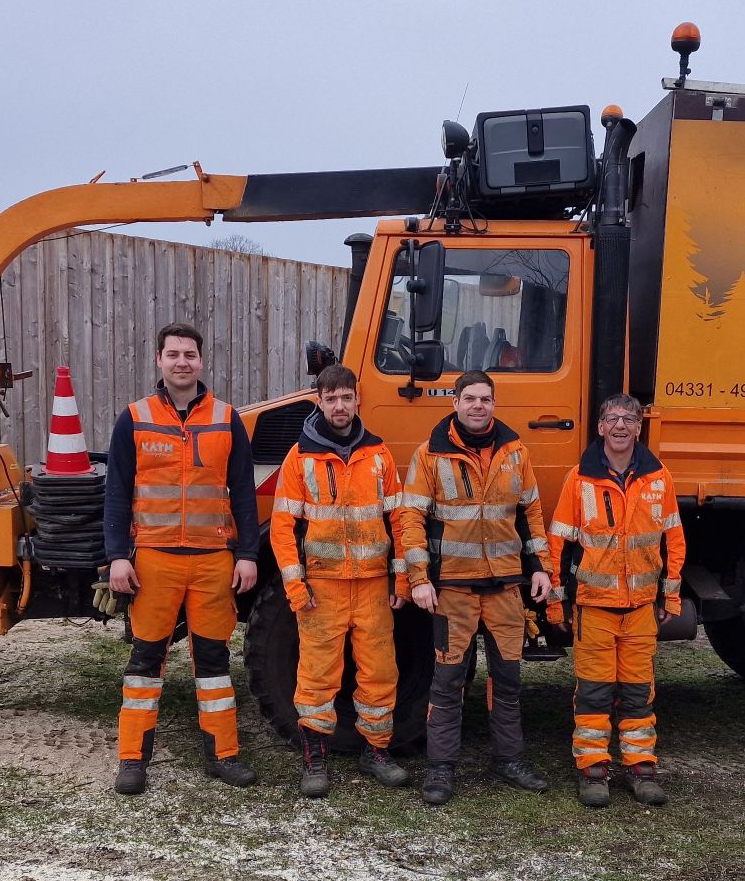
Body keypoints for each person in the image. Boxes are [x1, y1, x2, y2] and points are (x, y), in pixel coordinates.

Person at [100, 322, 260, 795]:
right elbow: (116, 493)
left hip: (213, 560)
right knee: (146, 660)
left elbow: (244, 496)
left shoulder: (227, 419)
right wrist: (116, 558)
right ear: (159, 360)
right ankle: (132, 759)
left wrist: (247, 554)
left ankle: (223, 755)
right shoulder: (135, 417)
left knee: (213, 662)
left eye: (189, 354)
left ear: (201, 361)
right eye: (173, 354)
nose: (182, 362)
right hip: (153, 560)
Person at [399, 370, 555, 805]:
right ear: (454, 402)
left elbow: (530, 514)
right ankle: (440, 768)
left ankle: (509, 759)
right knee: (447, 682)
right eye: (469, 398)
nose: (477, 406)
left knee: (508, 680)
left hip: (506, 588)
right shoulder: (429, 454)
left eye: (485, 399)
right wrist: (419, 578)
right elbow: (410, 519)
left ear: (494, 403)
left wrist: (540, 567)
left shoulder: (515, 452)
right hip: (453, 591)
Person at [269, 364, 420, 797]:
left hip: (372, 587)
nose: (339, 406)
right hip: (322, 589)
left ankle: (376, 752)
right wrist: (296, 588)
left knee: (380, 672)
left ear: (358, 400)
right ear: (319, 401)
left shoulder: (379, 455)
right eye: (331, 398)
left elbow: (398, 519)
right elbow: (283, 527)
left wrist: (401, 581)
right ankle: (314, 758)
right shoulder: (300, 457)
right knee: (317, 675)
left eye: (346, 398)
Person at [545, 393, 685, 807]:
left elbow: (673, 541)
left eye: (629, 418)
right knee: (594, 692)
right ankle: (593, 770)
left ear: (639, 427)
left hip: (641, 607)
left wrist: (670, 600)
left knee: (639, 691)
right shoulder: (579, 478)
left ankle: (642, 769)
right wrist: (558, 603)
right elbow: (559, 545)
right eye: (612, 419)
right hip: (594, 608)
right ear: (600, 427)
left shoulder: (660, 478)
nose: (621, 426)